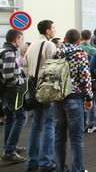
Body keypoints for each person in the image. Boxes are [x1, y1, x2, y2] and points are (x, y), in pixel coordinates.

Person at [51, 29, 93, 172]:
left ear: (64, 39)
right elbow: (85, 78)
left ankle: (60, 169)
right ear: (79, 41)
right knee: (76, 138)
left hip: (56, 98)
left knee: (59, 137)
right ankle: (78, 169)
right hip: (74, 97)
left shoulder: (55, 53)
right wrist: (89, 97)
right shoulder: (80, 54)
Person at [23, 20, 57, 172]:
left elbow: (23, 66)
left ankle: (32, 162)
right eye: (54, 28)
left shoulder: (31, 46)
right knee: (49, 124)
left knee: (36, 125)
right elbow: (55, 68)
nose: (55, 30)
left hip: (33, 89)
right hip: (46, 89)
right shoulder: (49, 45)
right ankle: (45, 162)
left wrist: (32, 76)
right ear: (48, 31)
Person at [1, 29, 27, 163]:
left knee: (10, 118)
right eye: (20, 39)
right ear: (16, 40)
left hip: (5, 91)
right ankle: (9, 151)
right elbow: (8, 75)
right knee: (21, 117)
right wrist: (21, 81)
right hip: (12, 91)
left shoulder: (3, 50)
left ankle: (9, 146)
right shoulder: (10, 53)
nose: (21, 42)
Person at [80, 30, 96, 134]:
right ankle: (92, 123)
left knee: (82, 101)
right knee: (91, 99)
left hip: (77, 79)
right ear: (90, 38)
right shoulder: (93, 50)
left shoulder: (78, 49)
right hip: (91, 78)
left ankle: (84, 122)